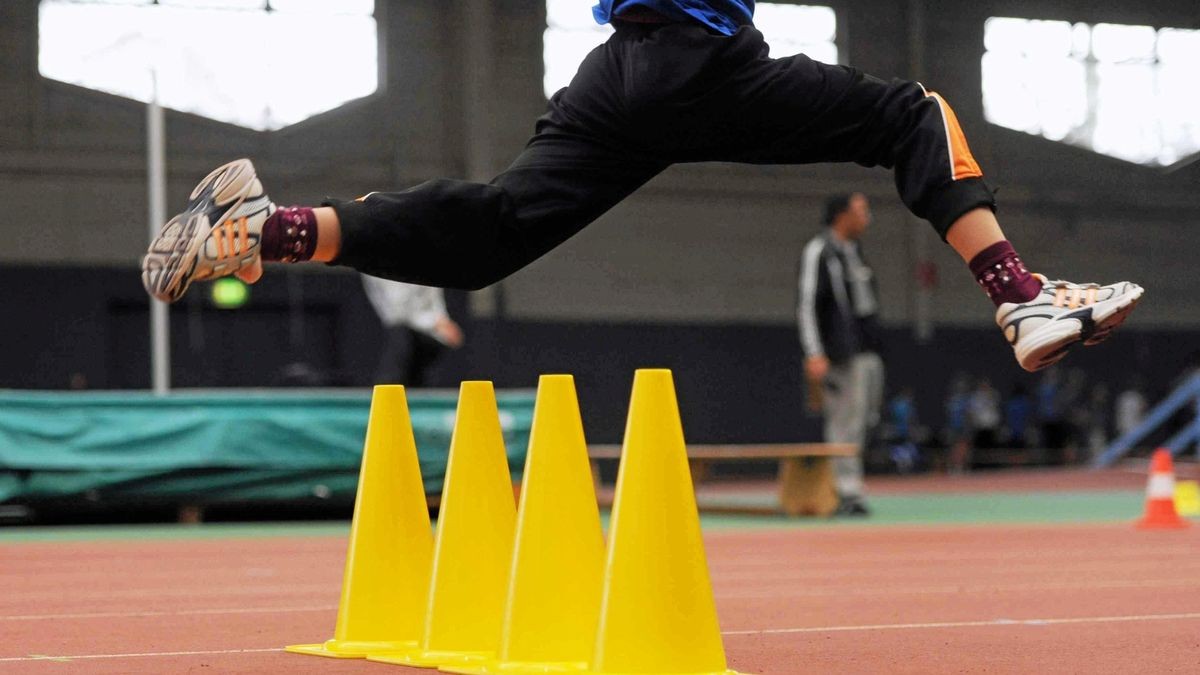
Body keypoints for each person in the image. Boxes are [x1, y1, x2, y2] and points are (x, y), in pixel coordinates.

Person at [141, 1, 1143, 377]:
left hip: (617, 68)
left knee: (496, 228)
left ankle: (259, 228)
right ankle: (1020, 296)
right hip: (700, 55)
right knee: (911, 114)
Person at [798, 193, 884, 515]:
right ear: (841, 215)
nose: (867, 217)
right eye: (861, 210)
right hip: (837, 354)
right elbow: (807, 304)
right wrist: (814, 352)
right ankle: (845, 493)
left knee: (862, 420)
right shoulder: (819, 251)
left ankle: (854, 487)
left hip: (865, 350)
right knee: (843, 422)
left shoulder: (855, 253)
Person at [361, 275, 464, 386]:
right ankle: (386, 394)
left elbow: (433, 298)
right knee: (400, 338)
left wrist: (443, 320)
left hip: (423, 331)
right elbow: (398, 312)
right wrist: (435, 323)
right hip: (396, 326)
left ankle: (415, 391)